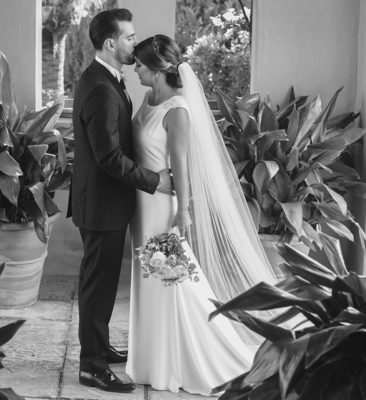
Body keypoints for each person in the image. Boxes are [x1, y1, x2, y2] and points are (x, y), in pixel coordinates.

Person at [126, 34, 278, 395]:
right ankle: (153, 360)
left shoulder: (177, 110)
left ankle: (203, 357)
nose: (135, 70)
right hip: (141, 204)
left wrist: (184, 212)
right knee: (151, 283)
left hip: (162, 209)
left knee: (173, 283)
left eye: (140, 65)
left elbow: (181, 165)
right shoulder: (148, 99)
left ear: (158, 69)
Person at [68, 10, 172, 393]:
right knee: (98, 286)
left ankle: (99, 347)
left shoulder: (107, 78)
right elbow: (109, 157)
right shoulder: (100, 87)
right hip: (102, 205)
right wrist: (155, 181)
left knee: (103, 283)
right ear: (111, 43)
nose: (134, 43)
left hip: (105, 202)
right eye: (129, 37)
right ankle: (91, 367)